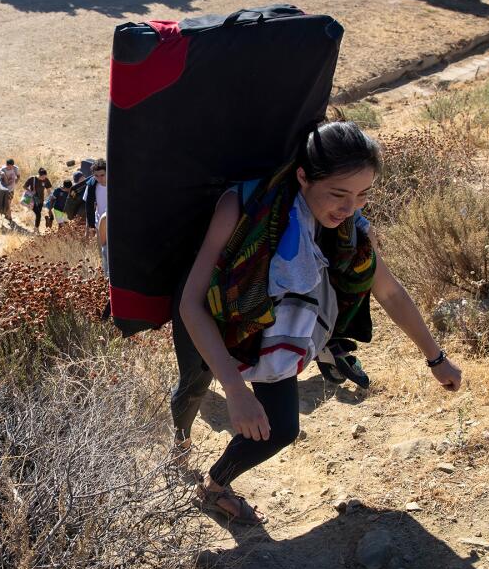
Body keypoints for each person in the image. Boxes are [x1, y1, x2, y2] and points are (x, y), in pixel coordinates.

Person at [174, 122, 463, 525]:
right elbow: (191, 304)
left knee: (280, 430)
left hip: (271, 330)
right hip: (212, 314)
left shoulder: (347, 229)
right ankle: (180, 443)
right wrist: (236, 391)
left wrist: (436, 358)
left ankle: (214, 486)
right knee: (193, 388)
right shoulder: (241, 205)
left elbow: (390, 291)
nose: (350, 209)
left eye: (363, 195)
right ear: (303, 177)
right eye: (339, 195)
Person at [22, 168, 53, 233]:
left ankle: (36, 228)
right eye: (42, 177)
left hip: (41, 200)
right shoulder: (32, 179)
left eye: (45, 176)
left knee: (38, 215)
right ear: (39, 175)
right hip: (32, 200)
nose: (44, 178)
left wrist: (51, 196)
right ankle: (36, 229)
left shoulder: (45, 180)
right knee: (38, 214)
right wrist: (30, 191)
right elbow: (24, 186)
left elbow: (48, 189)